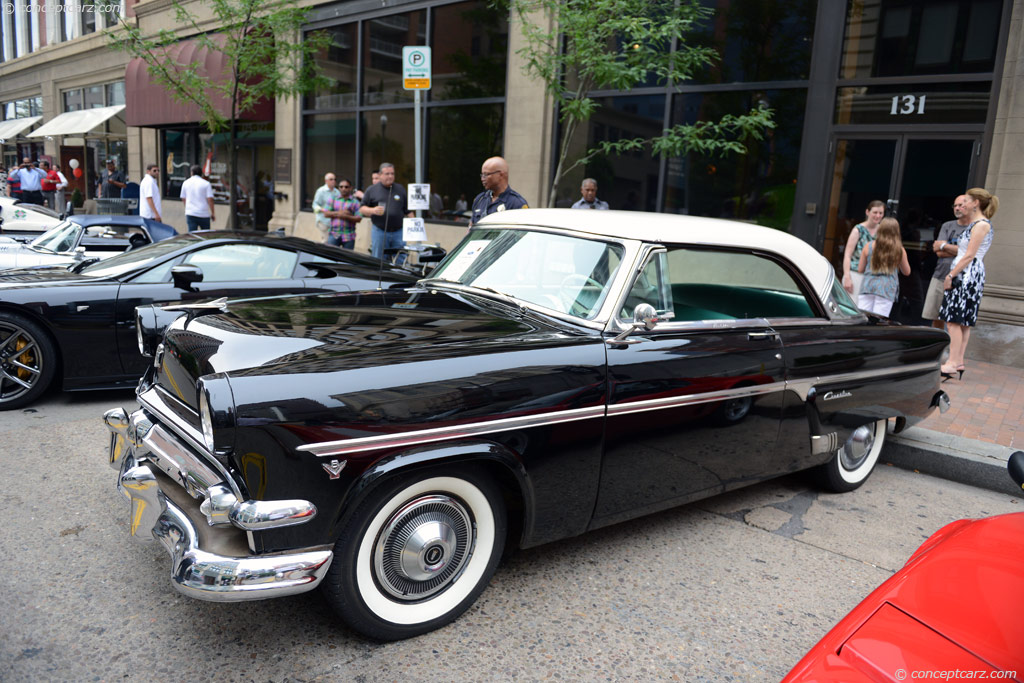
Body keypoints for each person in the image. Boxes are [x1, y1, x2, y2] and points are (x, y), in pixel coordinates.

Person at [938, 188, 998, 381]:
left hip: (966, 274)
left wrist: (951, 275)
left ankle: (953, 362)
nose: (963, 204)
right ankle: (959, 360)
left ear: (976, 203)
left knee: (953, 319)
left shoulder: (980, 225)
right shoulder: (978, 224)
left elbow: (969, 255)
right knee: (962, 321)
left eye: (967, 201)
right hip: (969, 273)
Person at [922, 195, 970, 329]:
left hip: (961, 279)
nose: (957, 208)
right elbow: (938, 251)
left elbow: (970, 253)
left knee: (954, 320)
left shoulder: (974, 228)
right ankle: (937, 347)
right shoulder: (947, 226)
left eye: (960, 205)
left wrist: (945, 246)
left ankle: (952, 349)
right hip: (940, 276)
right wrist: (959, 250)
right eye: (955, 206)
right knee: (935, 317)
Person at [856, 217, 911, 317]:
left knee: (862, 319)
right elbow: (907, 272)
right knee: (878, 322)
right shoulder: (900, 250)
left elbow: (860, 269)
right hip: (886, 289)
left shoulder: (868, 246)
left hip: (868, 286)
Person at [360, 162, 411, 260]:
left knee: (400, 260)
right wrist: (373, 210)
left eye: (392, 173)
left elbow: (407, 210)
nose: (390, 176)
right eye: (387, 174)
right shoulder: (372, 190)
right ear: (380, 175)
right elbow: (362, 208)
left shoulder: (400, 189)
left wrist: (415, 225)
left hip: (399, 232)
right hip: (380, 231)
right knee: (379, 261)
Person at [841, 200, 885, 297]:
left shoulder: (883, 231)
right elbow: (847, 255)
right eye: (875, 212)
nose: (878, 216)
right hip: (855, 275)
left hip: (873, 277)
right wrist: (847, 276)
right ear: (867, 212)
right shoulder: (858, 230)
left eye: (880, 213)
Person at [470, 156, 528, 226]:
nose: (482, 179)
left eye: (486, 174)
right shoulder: (480, 199)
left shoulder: (516, 203)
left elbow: (522, 234)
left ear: (500, 174)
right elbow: (471, 229)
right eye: (482, 175)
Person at [327, 178, 361, 249]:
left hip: (349, 236)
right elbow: (326, 213)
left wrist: (346, 216)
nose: (343, 189)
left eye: (346, 187)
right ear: (338, 188)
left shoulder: (355, 202)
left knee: (347, 258)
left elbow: (359, 218)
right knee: (330, 258)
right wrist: (339, 213)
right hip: (334, 234)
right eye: (341, 187)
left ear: (350, 188)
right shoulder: (333, 199)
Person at [180, 164, 215, 231]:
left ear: (192, 172)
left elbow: (183, 198)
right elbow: (210, 199)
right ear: (201, 173)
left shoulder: (186, 183)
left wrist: (187, 207)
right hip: (203, 213)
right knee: (205, 235)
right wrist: (213, 213)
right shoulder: (206, 183)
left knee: (192, 236)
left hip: (191, 212)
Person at [312, 172, 342, 242]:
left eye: (334, 179)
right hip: (323, 221)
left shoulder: (337, 192)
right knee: (326, 241)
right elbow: (315, 205)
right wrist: (323, 210)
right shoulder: (321, 191)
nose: (333, 181)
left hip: (334, 222)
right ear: (326, 181)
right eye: (331, 179)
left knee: (334, 242)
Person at [139, 163, 164, 229]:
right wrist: (156, 214)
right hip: (150, 216)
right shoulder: (149, 182)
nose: (157, 172)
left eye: (158, 170)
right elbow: (149, 198)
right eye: (154, 171)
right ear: (148, 171)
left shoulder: (151, 181)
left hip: (150, 215)